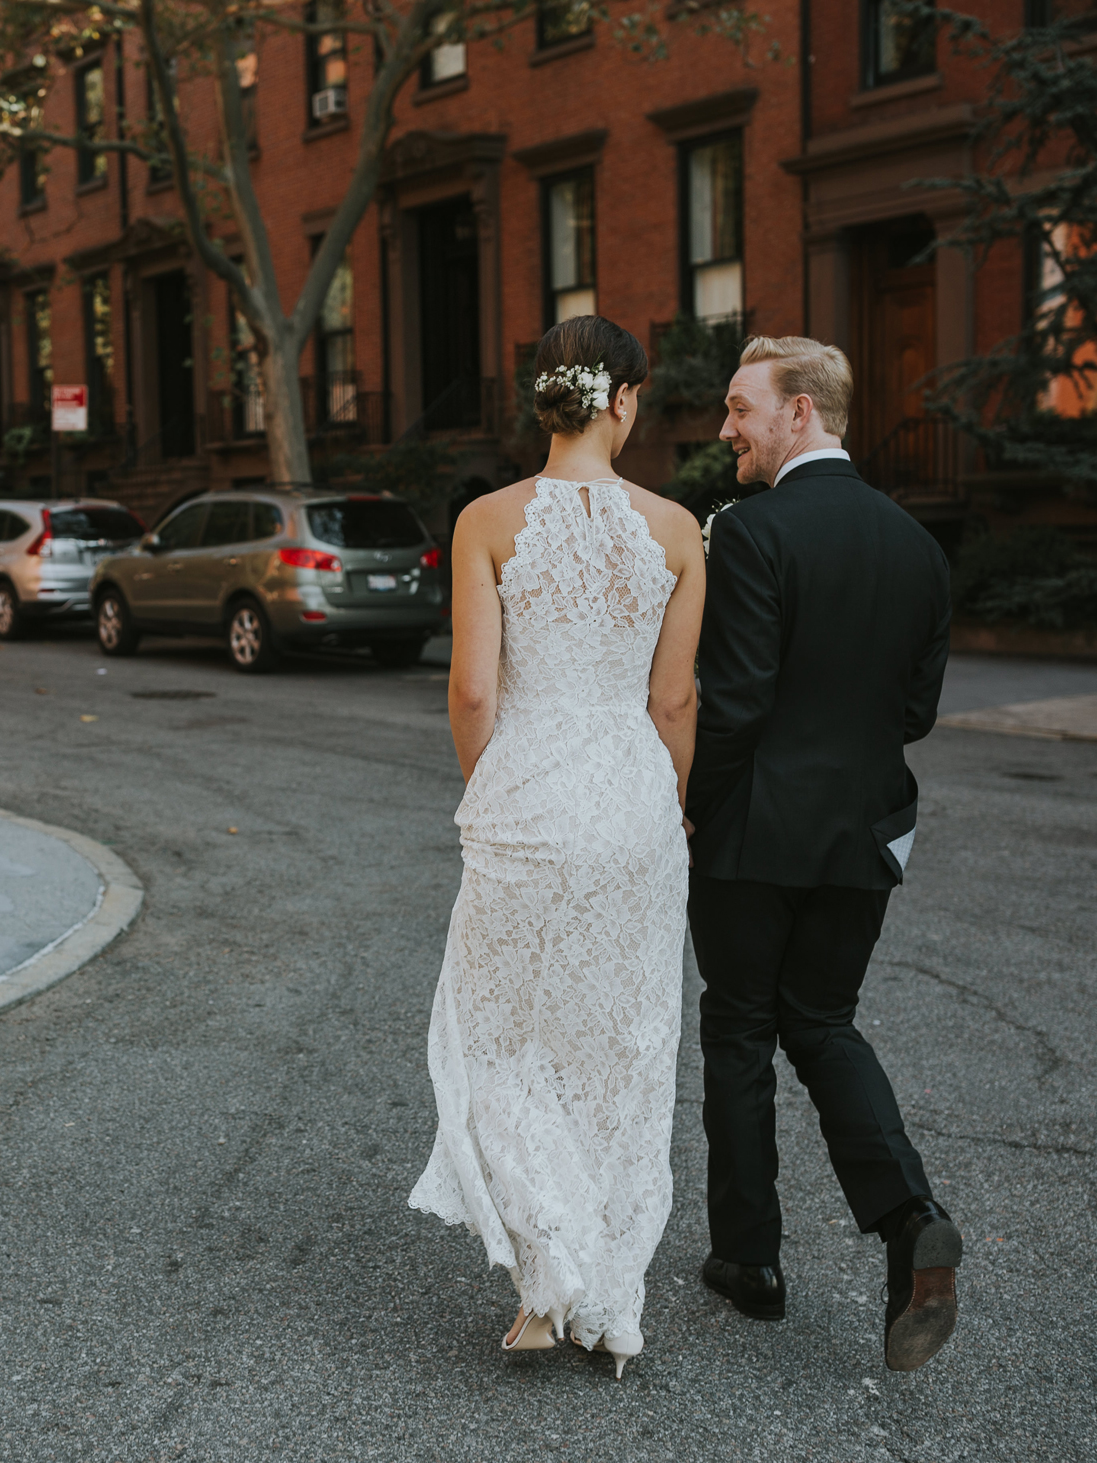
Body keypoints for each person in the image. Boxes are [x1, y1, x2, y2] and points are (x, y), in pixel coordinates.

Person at [408, 316, 706, 1377]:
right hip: (629, 802)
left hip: (524, 798)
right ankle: (607, 1298)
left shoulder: (488, 519)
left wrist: (488, 788)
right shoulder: (676, 530)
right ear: (622, 400)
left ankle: (546, 1280)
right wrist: (674, 800)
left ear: (547, 398)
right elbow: (673, 697)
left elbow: (474, 688)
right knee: (622, 1042)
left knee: (500, 1036)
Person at [687, 335, 959, 1373]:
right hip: (863, 829)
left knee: (741, 1028)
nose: (727, 429)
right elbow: (916, 711)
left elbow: (737, 702)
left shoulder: (752, 534)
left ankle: (750, 1259)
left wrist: (690, 805)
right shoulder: (918, 547)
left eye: (740, 408)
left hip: (754, 831)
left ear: (799, 412)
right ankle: (908, 1217)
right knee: (825, 1020)